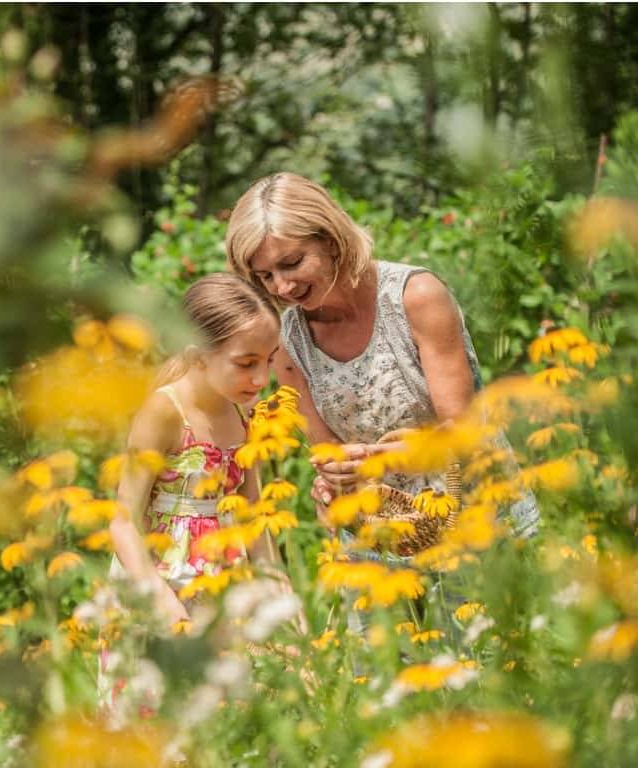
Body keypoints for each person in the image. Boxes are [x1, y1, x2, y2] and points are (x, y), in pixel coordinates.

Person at [225, 171, 538, 536]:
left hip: (477, 521)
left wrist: (376, 461)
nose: (282, 286)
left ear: (331, 240)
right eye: (265, 275)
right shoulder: (288, 342)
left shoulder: (415, 297)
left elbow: (463, 433)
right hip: (383, 539)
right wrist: (332, 482)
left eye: (292, 263)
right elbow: (328, 451)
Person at [108, 273, 284, 629]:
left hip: (225, 588)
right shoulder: (164, 411)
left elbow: (252, 517)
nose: (262, 378)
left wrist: (281, 596)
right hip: (160, 588)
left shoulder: (245, 411)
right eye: (247, 363)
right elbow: (123, 522)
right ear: (198, 355)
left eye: (270, 360)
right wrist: (161, 599)